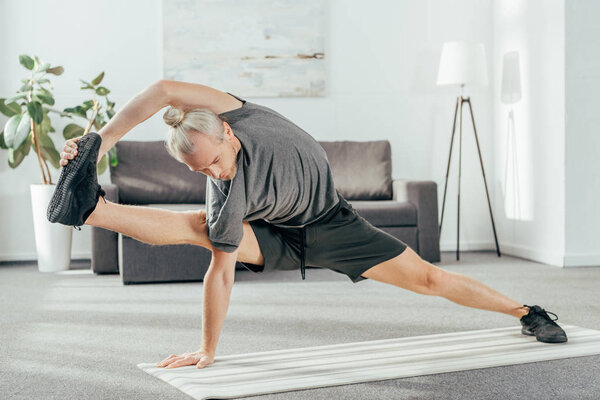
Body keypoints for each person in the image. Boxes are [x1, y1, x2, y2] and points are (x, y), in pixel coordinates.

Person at [49, 79, 568, 370]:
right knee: (198, 227)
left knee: (430, 279)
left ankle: (528, 311)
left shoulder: (244, 114)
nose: (213, 174)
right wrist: (207, 348)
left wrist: (101, 143)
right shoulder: (223, 191)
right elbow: (220, 272)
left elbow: (163, 88)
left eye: (213, 161)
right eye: (199, 172)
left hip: (331, 223)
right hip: (278, 236)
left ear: (227, 130)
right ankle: (89, 209)